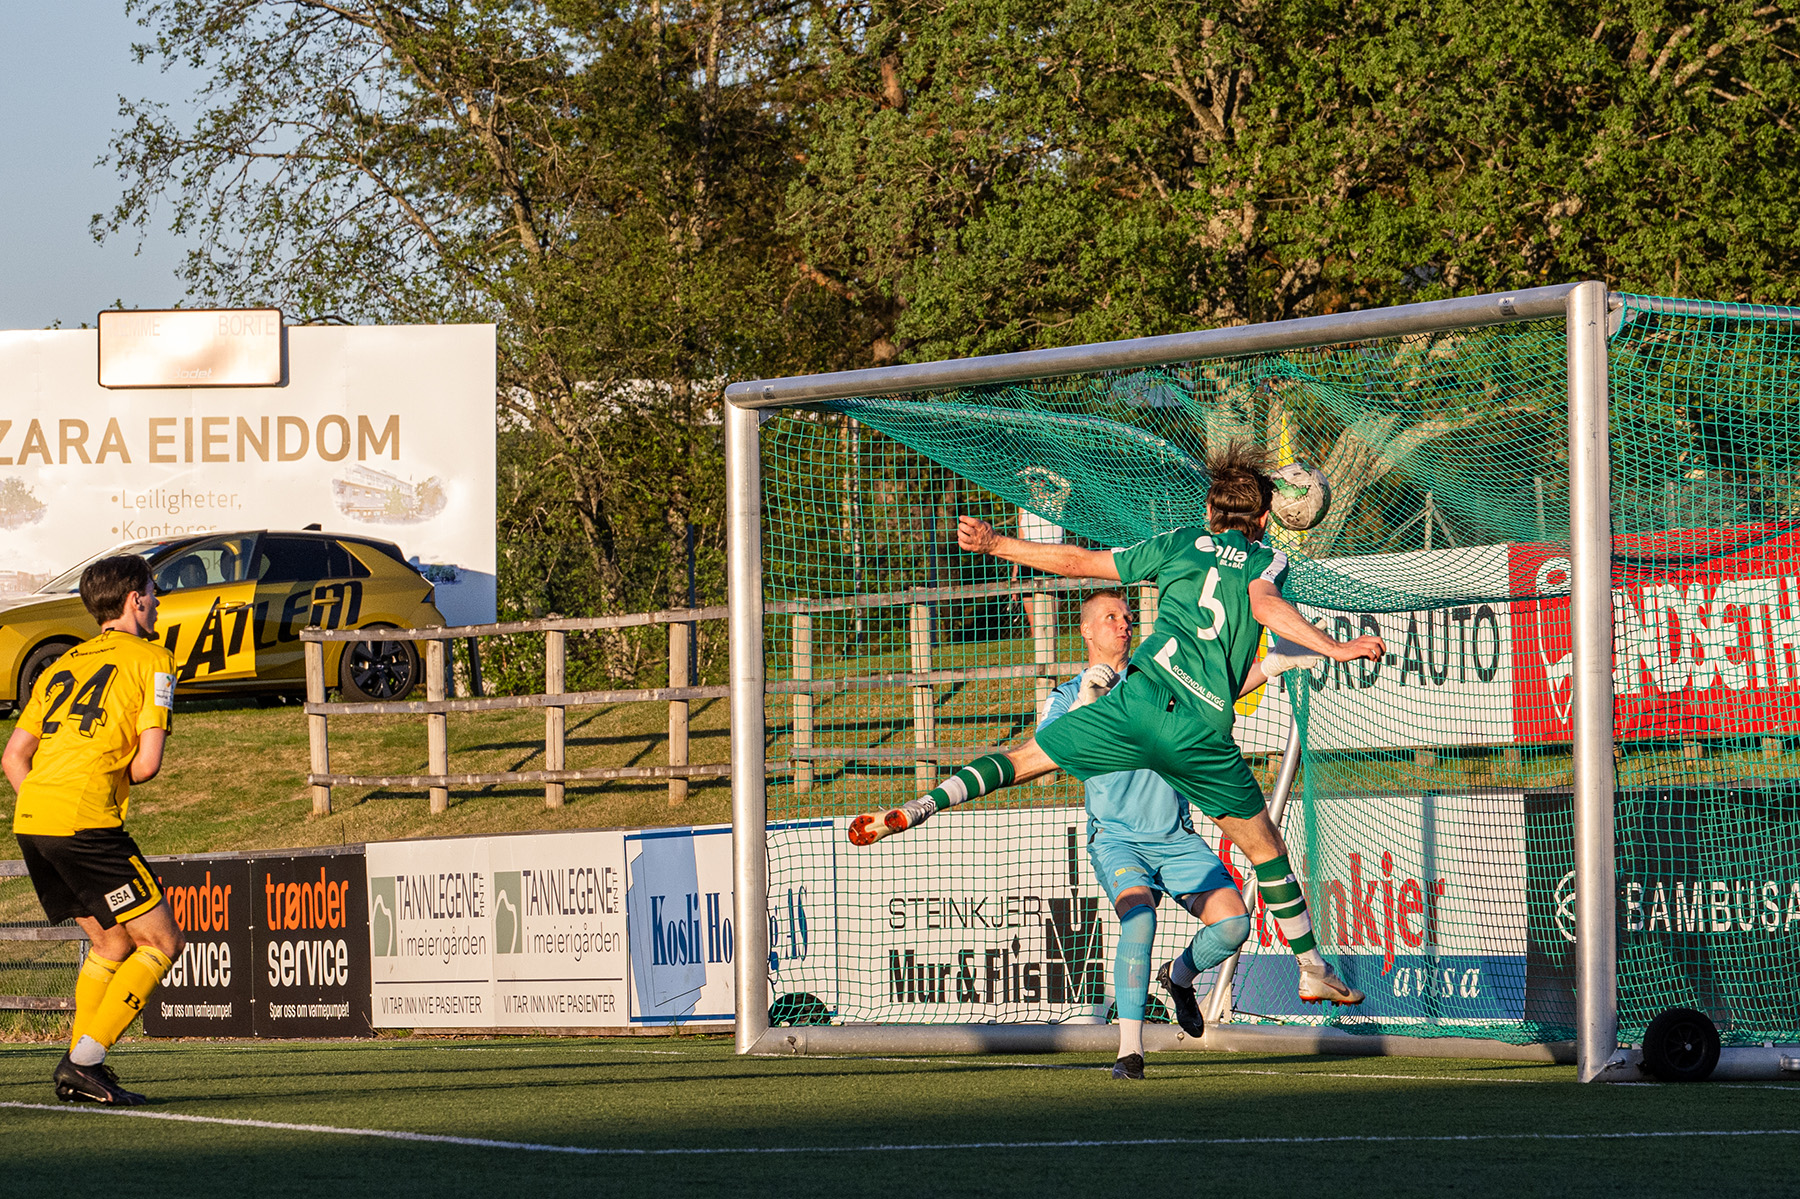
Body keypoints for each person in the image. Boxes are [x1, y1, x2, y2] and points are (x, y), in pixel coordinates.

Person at [850, 442, 1385, 1011]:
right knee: (1266, 850)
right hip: (1199, 733)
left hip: (1139, 701)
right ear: (1262, 519)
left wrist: (994, 542)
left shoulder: (1178, 542)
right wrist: (1336, 646)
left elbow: (1079, 563)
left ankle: (922, 806)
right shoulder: (1266, 560)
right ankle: (1311, 968)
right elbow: (1266, 608)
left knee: (1023, 758)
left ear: (1209, 512)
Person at [1040, 588, 1252, 1080]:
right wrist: (1088, 701)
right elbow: (1050, 747)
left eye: (1128, 616)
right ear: (1087, 630)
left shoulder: (1156, 680)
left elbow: (1222, 689)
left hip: (1174, 836)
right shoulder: (1067, 695)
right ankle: (1130, 1052)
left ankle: (1179, 978)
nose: (1123, 623)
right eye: (1110, 617)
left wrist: (1278, 661)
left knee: (1235, 926)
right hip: (1117, 839)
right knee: (1139, 920)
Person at [6, 554, 184, 1105]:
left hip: (33, 818)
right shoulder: (154, 658)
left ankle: (82, 1066)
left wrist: (50, 802)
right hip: (84, 820)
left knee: (108, 941)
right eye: (153, 592)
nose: (156, 602)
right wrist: (98, 785)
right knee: (161, 941)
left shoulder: (64, 661)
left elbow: (14, 756)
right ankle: (84, 1062)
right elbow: (147, 764)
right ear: (134, 600)